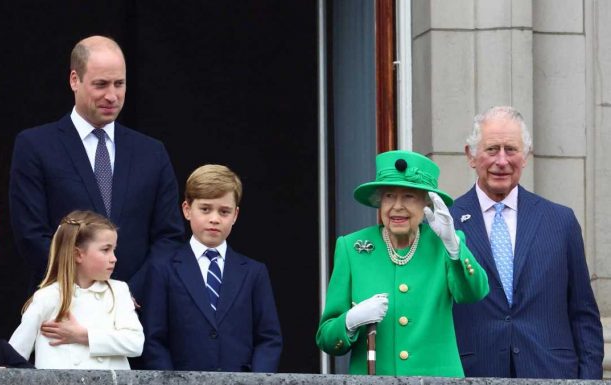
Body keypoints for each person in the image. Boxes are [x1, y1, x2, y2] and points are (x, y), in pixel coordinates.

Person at [9, 35, 184, 303]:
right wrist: (83, 290)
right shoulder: (35, 146)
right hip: (63, 308)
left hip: (136, 313)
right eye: (100, 84)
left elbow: (168, 236)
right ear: (74, 80)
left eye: (119, 84)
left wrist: (126, 294)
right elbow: (31, 234)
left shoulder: (152, 152)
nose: (112, 95)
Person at [450, 106, 603, 379]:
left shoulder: (560, 221)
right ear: (470, 156)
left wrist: (589, 380)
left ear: (526, 156)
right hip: (470, 374)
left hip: (551, 373)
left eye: (511, 150)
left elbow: (583, 314)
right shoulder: (444, 224)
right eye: (491, 149)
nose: (501, 160)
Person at [316, 150, 489, 377]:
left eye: (408, 196)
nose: (397, 206)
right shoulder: (352, 248)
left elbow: (474, 293)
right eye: (389, 196)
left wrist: (453, 245)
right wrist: (350, 320)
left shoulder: (444, 244)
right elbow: (327, 338)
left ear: (426, 202)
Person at [142, 164, 283, 372]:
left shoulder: (254, 272)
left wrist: (257, 380)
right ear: (187, 210)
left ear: (235, 215)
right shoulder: (163, 269)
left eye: (224, 211)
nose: (214, 219)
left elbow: (269, 338)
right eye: (205, 209)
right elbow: (154, 339)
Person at [9, 210, 143, 369]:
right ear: (78, 254)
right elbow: (15, 353)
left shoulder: (119, 291)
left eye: (113, 249)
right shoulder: (47, 297)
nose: (114, 258)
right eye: (105, 250)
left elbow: (135, 343)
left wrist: (83, 336)